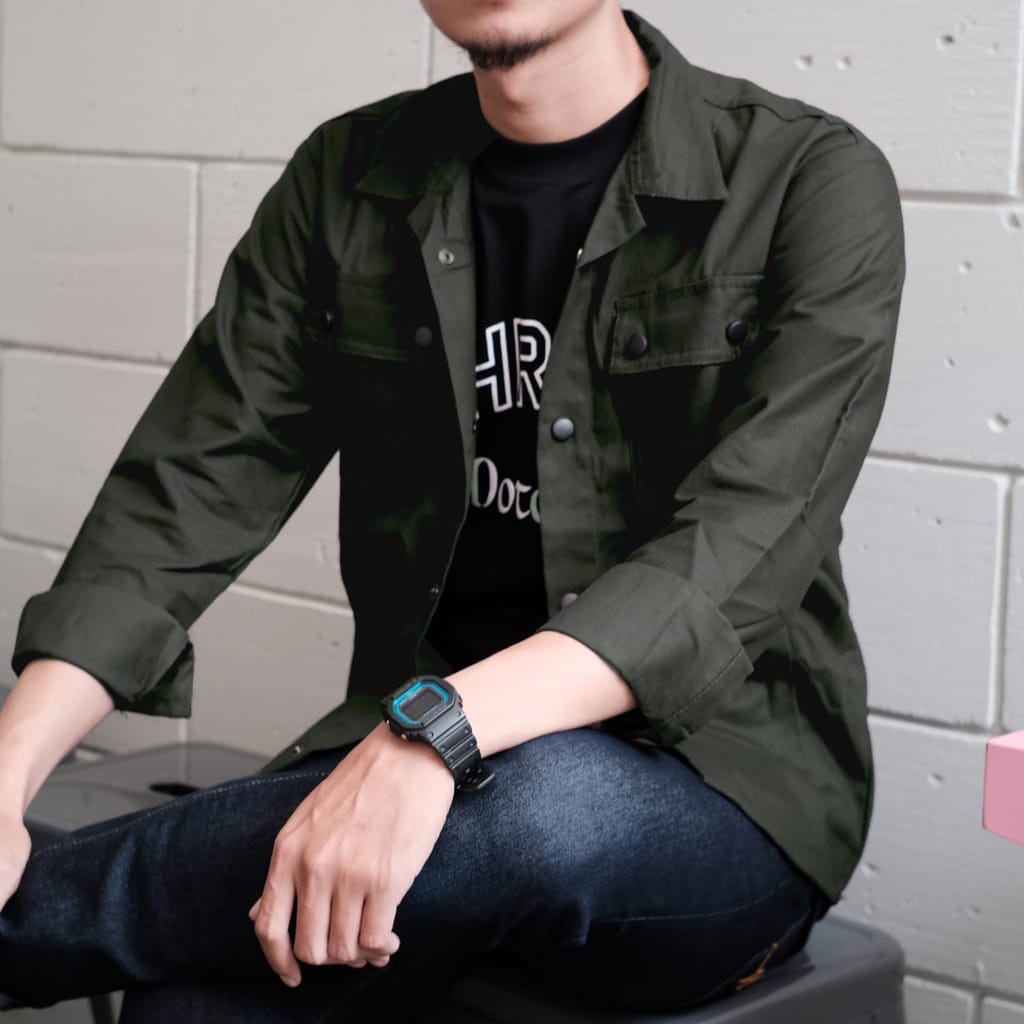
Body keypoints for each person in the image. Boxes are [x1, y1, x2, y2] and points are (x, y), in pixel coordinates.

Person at [0, 2, 905, 1020]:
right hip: (410, 770)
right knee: (196, 1002)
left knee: (536, 808)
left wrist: (435, 732)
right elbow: (185, 491)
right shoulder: (348, 176)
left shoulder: (808, 179)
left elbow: (739, 543)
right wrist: (6, 770)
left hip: (711, 788)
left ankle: (23, 937)